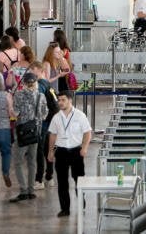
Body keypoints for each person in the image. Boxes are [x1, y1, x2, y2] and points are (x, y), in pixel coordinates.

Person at [47, 90, 92, 218]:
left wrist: (84, 148)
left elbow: (88, 133)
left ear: (70, 100)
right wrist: (51, 151)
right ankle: (65, 209)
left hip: (76, 151)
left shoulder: (79, 115)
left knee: (79, 180)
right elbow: (53, 135)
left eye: (63, 100)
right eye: (59, 100)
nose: (60, 102)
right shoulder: (56, 117)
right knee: (62, 182)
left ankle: (81, 205)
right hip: (61, 152)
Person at [10, 73, 47, 203]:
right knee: (32, 161)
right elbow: (44, 114)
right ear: (36, 83)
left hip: (22, 133)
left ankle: (23, 190)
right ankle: (31, 190)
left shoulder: (19, 95)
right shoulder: (40, 96)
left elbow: (15, 113)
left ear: (24, 83)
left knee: (18, 161)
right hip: (36, 133)